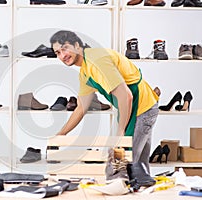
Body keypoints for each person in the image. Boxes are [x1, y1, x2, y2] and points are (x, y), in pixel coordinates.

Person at [49, 30, 159, 173]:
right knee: (138, 167)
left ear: (77, 45)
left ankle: (124, 191)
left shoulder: (96, 60)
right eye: (58, 52)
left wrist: (120, 132)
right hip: (136, 109)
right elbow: (81, 108)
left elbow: (126, 96)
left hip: (141, 109)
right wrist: (61, 134)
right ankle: (141, 190)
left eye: (65, 48)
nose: (62, 55)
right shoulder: (85, 72)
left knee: (122, 165)